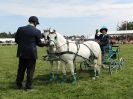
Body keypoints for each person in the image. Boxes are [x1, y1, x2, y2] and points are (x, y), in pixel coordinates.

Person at [15, 16, 47, 90]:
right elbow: (39, 43)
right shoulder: (37, 31)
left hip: (22, 53)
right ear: (35, 23)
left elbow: (16, 40)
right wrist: (46, 44)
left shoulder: (20, 29)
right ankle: (28, 87)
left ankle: (18, 85)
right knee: (30, 71)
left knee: (21, 70)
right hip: (31, 54)